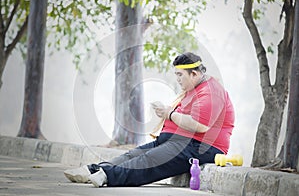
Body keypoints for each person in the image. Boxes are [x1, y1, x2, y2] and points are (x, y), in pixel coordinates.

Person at [64, 52, 235, 187]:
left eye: (180, 75)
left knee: (148, 160)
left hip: (200, 147)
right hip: (177, 141)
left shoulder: (211, 90)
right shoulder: (194, 89)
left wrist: (169, 114)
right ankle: (93, 170)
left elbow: (200, 125)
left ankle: (107, 175)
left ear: (195, 74)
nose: (177, 80)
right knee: (133, 154)